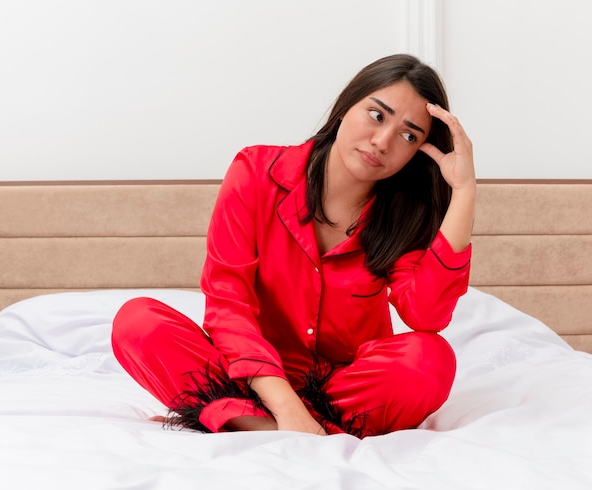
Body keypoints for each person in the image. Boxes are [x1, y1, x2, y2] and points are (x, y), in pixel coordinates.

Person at [111, 53, 475, 438]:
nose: (382, 141)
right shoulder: (255, 171)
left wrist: (464, 192)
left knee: (431, 360)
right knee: (138, 322)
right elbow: (227, 302)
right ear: (346, 106)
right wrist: (284, 403)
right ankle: (283, 426)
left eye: (408, 135)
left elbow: (427, 316)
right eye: (377, 114)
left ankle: (241, 421)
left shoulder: (403, 215)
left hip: (338, 390)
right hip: (244, 374)